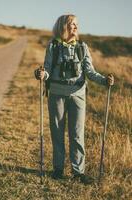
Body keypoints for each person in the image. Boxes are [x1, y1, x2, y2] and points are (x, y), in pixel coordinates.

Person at [34, 14, 114, 185]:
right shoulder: (53, 46)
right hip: (56, 93)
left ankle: (78, 172)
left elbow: (90, 72)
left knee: (77, 134)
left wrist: (105, 81)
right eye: (71, 24)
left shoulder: (82, 47)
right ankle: (58, 169)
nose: (75, 27)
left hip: (78, 95)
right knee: (57, 132)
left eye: (77, 24)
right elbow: (47, 69)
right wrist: (41, 74)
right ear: (63, 26)